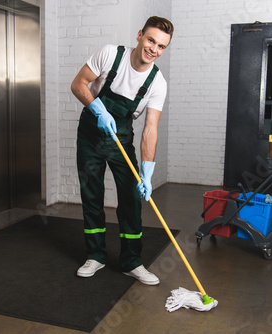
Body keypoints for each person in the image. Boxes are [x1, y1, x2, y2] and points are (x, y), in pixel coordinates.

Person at [71, 16, 173, 285]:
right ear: (140, 35)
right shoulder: (110, 54)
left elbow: (150, 128)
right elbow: (78, 84)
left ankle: (132, 262)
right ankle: (95, 256)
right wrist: (98, 108)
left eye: (161, 46)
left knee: (130, 200)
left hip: (122, 140)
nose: (154, 49)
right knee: (91, 194)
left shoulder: (157, 83)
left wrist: (147, 173)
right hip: (91, 135)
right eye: (151, 40)